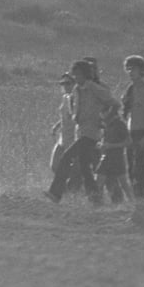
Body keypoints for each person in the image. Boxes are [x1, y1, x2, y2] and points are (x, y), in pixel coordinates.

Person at [47, 59, 119, 205]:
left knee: (66, 157)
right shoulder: (76, 90)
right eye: (75, 75)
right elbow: (75, 112)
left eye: (79, 75)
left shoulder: (94, 88)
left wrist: (105, 121)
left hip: (91, 134)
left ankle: (55, 193)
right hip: (80, 132)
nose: (76, 78)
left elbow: (115, 104)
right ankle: (95, 199)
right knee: (86, 168)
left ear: (86, 75)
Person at [120, 55, 144, 199]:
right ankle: (135, 197)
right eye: (128, 69)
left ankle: (140, 197)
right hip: (130, 133)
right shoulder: (129, 90)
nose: (130, 72)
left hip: (142, 132)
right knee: (130, 168)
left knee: (139, 167)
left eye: (133, 69)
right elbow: (125, 113)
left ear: (141, 70)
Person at [49, 73, 81, 195]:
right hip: (63, 136)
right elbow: (64, 116)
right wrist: (56, 126)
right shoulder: (65, 97)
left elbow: (75, 116)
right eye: (62, 83)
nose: (65, 86)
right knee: (54, 165)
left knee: (67, 164)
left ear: (74, 84)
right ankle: (69, 185)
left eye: (68, 83)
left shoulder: (76, 98)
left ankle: (71, 188)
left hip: (72, 137)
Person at [97, 106, 134, 205]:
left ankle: (133, 204)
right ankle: (99, 205)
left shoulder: (120, 124)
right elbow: (105, 140)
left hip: (117, 157)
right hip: (106, 157)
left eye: (102, 113)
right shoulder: (107, 125)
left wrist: (112, 146)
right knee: (99, 179)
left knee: (124, 183)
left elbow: (129, 142)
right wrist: (101, 145)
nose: (101, 115)